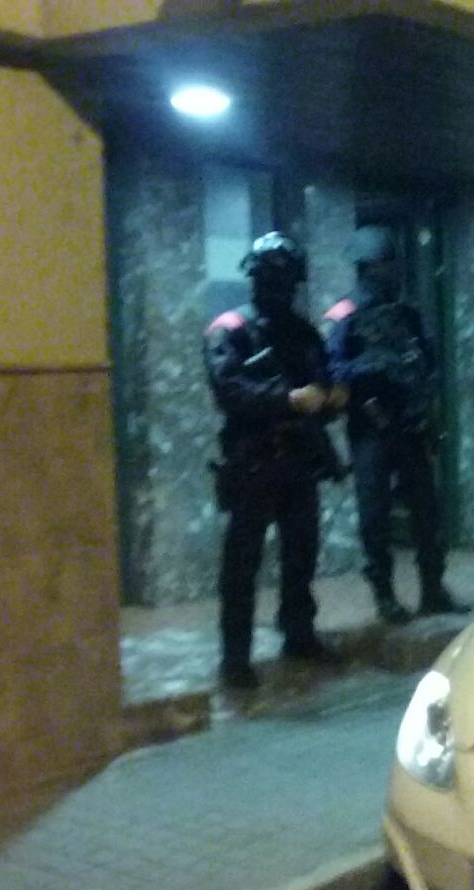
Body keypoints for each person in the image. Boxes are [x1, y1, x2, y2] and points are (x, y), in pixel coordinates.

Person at [203, 232, 346, 690]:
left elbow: (323, 382)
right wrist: (286, 399)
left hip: (299, 460)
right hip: (253, 461)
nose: (278, 289)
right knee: (241, 565)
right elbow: (230, 392)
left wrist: (333, 398)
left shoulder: (303, 332)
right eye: (271, 278)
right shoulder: (231, 329)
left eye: (285, 280)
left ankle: (299, 635)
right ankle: (235, 657)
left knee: (301, 555)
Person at [322, 226, 469, 623]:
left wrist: (424, 392)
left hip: (409, 423)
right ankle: (384, 594)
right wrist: (372, 366)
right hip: (371, 426)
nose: (394, 271)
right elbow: (330, 370)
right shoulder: (345, 314)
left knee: (427, 511)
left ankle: (433, 589)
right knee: (375, 515)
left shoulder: (407, 312)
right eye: (387, 263)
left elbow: (428, 361)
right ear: (368, 266)